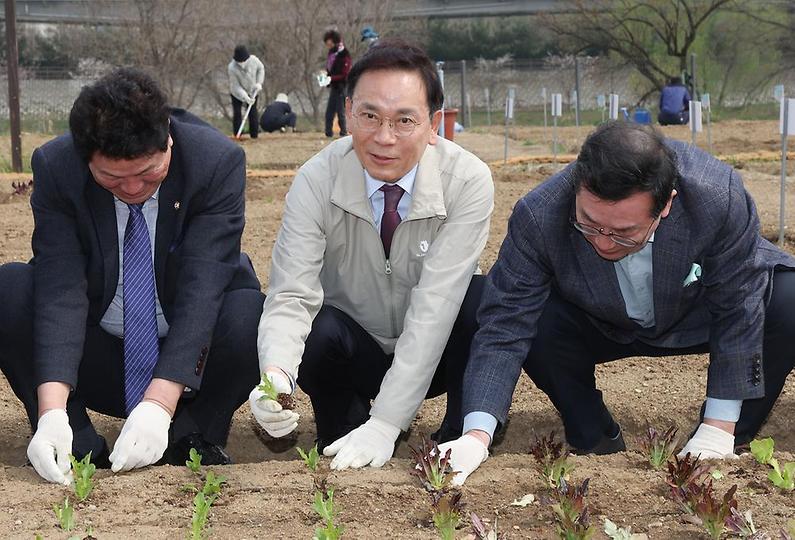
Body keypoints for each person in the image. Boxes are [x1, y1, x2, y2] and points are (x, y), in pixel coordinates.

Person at [439, 121, 795, 485]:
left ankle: (724, 437)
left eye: (625, 233)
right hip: (596, 317)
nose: (605, 243)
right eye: (590, 224)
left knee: (788, 300)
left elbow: (738, 304)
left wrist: (718, 427)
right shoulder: (539, 214)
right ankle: (594, 436)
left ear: (666, 205)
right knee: (530, 316)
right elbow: (505, 323)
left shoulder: (717, 196)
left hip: (696, 311)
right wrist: (476, 435)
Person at [0, 68, 264, 484]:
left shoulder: (215, 163)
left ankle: (190, 434)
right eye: (111, 178)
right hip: (97, 350)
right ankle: (71, 437)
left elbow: (203, 286)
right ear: (86, 159)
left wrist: (159, 404)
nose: (132, 188)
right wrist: (51, 412)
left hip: (190, 356)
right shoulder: (58, 166)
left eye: (147, 172)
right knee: (10, 290)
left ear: (168, 141)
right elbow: (60, 287)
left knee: (250, 314)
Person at [249, 39, 494, 471]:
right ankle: (341, 423)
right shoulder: (316, 179)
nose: (384, 138)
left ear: (433, 124)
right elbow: (291, 294)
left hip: (435, 354)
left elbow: (436, 307)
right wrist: (277, 377)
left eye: (404, 120)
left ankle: (453, 432)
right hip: (352, 347)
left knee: (481, 301)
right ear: (347, 113)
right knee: (319, 327)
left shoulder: (468, 181)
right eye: (369, 116)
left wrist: (387, 422)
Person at [228, 45, 265, 138]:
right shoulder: (232, 68)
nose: (242, 63)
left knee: (253, 111)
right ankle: (237, 134)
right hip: (237, 94)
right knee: (237, 113)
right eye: (239, 62)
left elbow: (261, 69)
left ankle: (254, 135)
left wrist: (259, 83)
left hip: (253, 90)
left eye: (243, 61)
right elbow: (235, 86)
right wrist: (245, 97)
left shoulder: (254, 60)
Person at [323, 29, 352, 138]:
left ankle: (343, 132)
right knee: (329, 111)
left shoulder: (344, 54)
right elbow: (329, 68)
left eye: (329, 43)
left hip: (342, 86)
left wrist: (331, 78)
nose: (328, 46)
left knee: (341, 111)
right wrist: (326, 76)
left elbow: (345, 74)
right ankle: (328, 132)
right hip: (334, 86)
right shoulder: (331, 54)